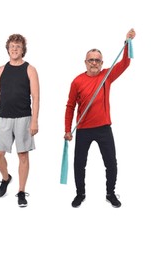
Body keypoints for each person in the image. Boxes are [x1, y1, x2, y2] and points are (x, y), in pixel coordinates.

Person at [65, 28, 135, 208]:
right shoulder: (77, 81)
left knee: (111, 163)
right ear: (85, 62)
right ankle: (80, 194)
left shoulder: (107, 76)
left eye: (97, 60)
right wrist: (67, 130)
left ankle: (110, 193)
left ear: (102, 62)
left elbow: (125, 63)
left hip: (104, 128)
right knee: (79, 164)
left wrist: (127, 43)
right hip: (83, 130)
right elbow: (70, 107)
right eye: (91, 60)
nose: (94, 63)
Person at [0, 34, 40, 208]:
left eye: (18, 46)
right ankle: (5, 178)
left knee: (23, 155)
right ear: (7, 49)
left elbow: (36, 97)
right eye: (12, 46)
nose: (14, 49)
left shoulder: (30, 69)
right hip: (3, 117)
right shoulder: (1, 70)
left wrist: (34, 121)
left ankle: (22, 191)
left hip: (24, 117)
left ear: (23, 49)